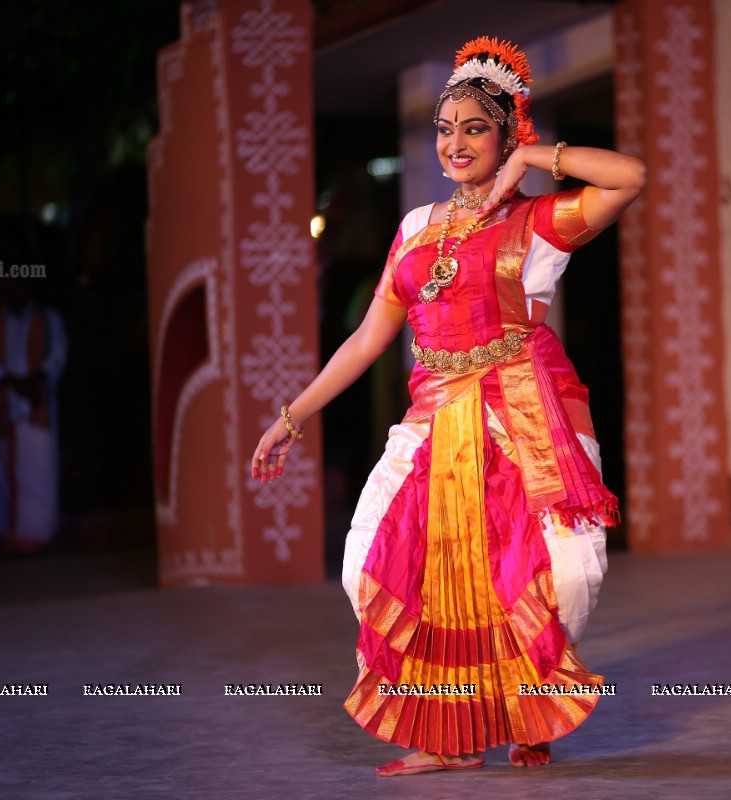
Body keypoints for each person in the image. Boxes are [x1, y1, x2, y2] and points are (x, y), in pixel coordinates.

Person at [250, 37, 645, 776]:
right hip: (435, 415)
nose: (455, 141)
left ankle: (527, 704)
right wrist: (291, 417)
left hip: (525, 412)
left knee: (560, 574)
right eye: (445, 127)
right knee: (375, 561)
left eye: (475, 127)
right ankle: (454, 735)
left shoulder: (538, 223)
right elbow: (368, 340)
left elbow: (631, 177)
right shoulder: (415, 227)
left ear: (506, 135)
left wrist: (535, 161)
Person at [0, 277, 67, 552]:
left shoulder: (49, 320)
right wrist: (16, 383)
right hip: (5, 409)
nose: (12, 288)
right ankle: (5, 539)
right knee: (2, 478)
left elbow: (57, 359)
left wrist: (33, 382)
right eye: (6, 283)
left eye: (16, 282)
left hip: (37, 411)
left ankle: (39, 539)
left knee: (40, 477)